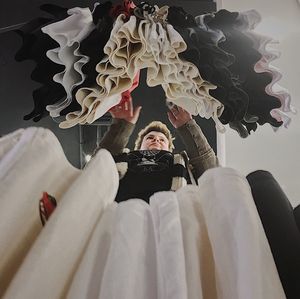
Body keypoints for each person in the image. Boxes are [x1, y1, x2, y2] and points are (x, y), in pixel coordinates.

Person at [96, 98, 218, 202]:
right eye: (150, 137)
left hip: (175, 215)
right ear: (138, 147)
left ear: (170, 150)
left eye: (162, 140)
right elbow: (96, 169)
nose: (156, 140)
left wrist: (188, 127)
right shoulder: (123, 159)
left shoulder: (182, 163)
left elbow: (210, 173)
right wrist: (121, 127)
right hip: (122, 213)